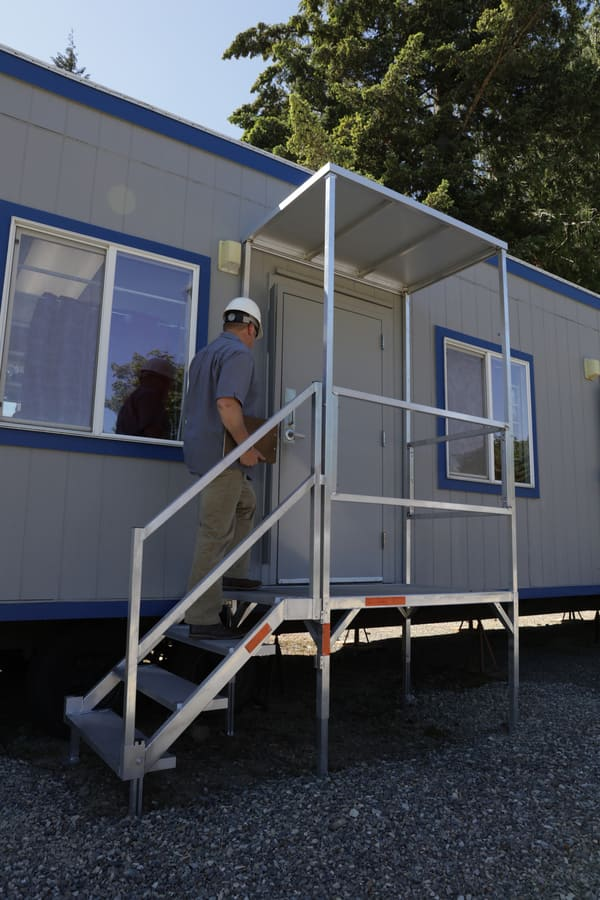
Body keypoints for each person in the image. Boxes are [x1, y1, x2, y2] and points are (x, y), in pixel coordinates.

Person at [183, 297, 265, 639]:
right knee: (215, 531)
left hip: (204, 452)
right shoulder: (239, 354)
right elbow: (227, 403)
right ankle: (202, 618)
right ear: (251, 329)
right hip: (225, 456)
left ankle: (233, 572)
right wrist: (246, 447)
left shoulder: (204, 355)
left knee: (246, 504)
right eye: (254, 335)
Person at [116, 357, 175, 439]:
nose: (169, 387)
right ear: (158, 379)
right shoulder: (149, 395)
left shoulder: (135, 397)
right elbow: (152, 433)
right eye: (168, 382)